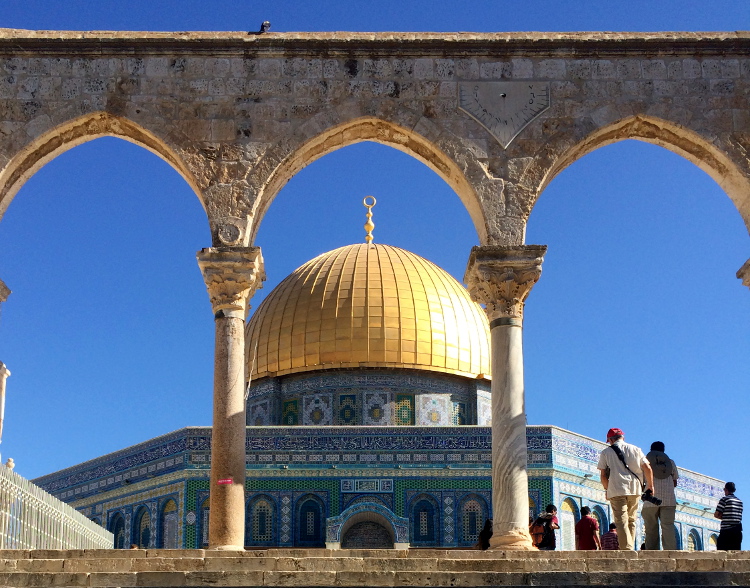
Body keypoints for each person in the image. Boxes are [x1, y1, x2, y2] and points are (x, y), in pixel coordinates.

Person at [597, 427, 654, 551]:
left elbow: (602, 475)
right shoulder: (636, 449)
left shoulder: (606, 452)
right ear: (623, 437)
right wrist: (650, 486)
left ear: (610, 440)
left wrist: (607, 489)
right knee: (631, 519)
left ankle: (627, 549)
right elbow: (648, 468)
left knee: (621, 520)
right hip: (634, 489)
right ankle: (630, 546)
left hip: (616, 489)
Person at [642, 441, 679, 550]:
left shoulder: (645, 462)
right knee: (668, 527)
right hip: (669, 500)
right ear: (663, 450)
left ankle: (652, 553)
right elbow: (675, 482)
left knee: (651, 529)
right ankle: (671, 552)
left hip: (650, 500)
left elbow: (641, 480)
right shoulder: (670, 463)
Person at [714, 481, 743, 550]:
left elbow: (716, 514)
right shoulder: (740, 502)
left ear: (726, 490)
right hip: (737, 531)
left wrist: (723, 516)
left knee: (721, 551)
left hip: (726, 531)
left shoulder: (724, 499)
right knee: (735, 553)